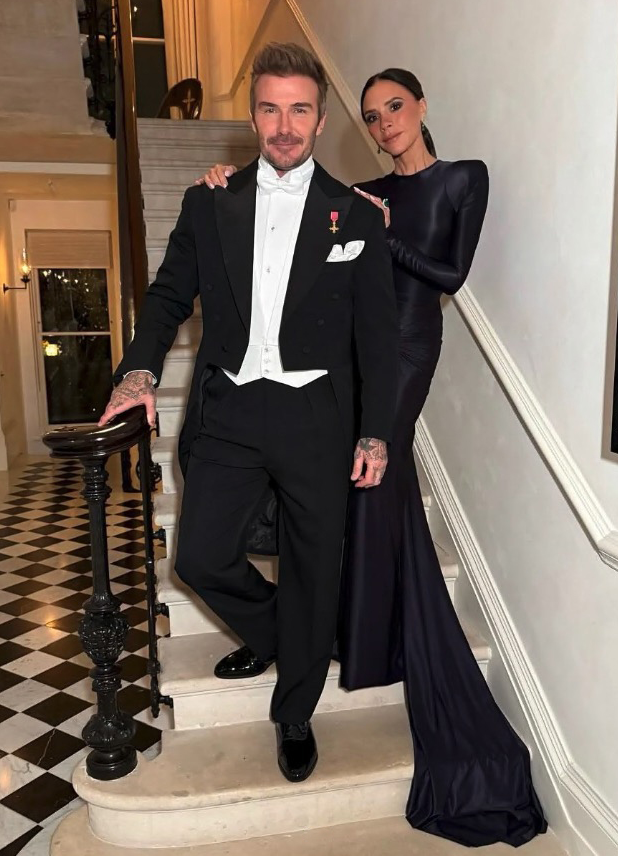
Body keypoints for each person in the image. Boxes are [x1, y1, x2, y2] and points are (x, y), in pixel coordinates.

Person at [198, 67, 547, 847]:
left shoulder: (462, 180)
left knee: (373, 488)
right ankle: (308, 632)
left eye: (395, 107)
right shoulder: (354, 193)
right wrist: (229, 184)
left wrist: (384, 230)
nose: (384, 121)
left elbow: (452, 274)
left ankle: (359, 639)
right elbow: (295, 243)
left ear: (421, 107)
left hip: (410, 345)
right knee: (327, 495)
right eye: (371, 114)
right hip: (354, 354)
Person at [98, 43, 398, 785]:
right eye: (270, 108)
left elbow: (378, 341)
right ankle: (284, 636)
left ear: (321, 119)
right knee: (197, 555)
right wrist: (138, 371)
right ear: (253, 115)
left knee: (311, 567)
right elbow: (168, 296)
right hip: (230, 407)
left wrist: (377, 430)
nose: (285, 125)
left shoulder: (355, 216)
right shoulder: (212, 200)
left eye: (300, 109)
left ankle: (294, 710)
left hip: (316, 419)